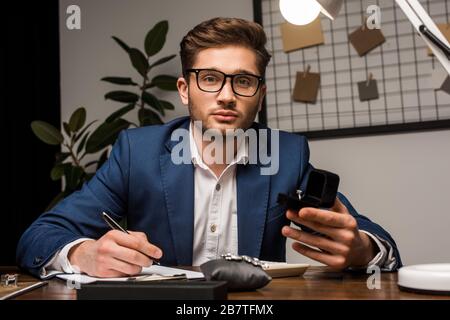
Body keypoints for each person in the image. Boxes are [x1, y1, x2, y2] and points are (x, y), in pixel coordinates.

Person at [17, 17, 401, 278]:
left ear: (260, 96)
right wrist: (82, 254)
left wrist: (362, 249)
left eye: (243, 82)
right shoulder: (138, 152)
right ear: (184, 90)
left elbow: (364, 233)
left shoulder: (286, 155)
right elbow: (42, 234)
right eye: (210, 79)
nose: (227, 96)